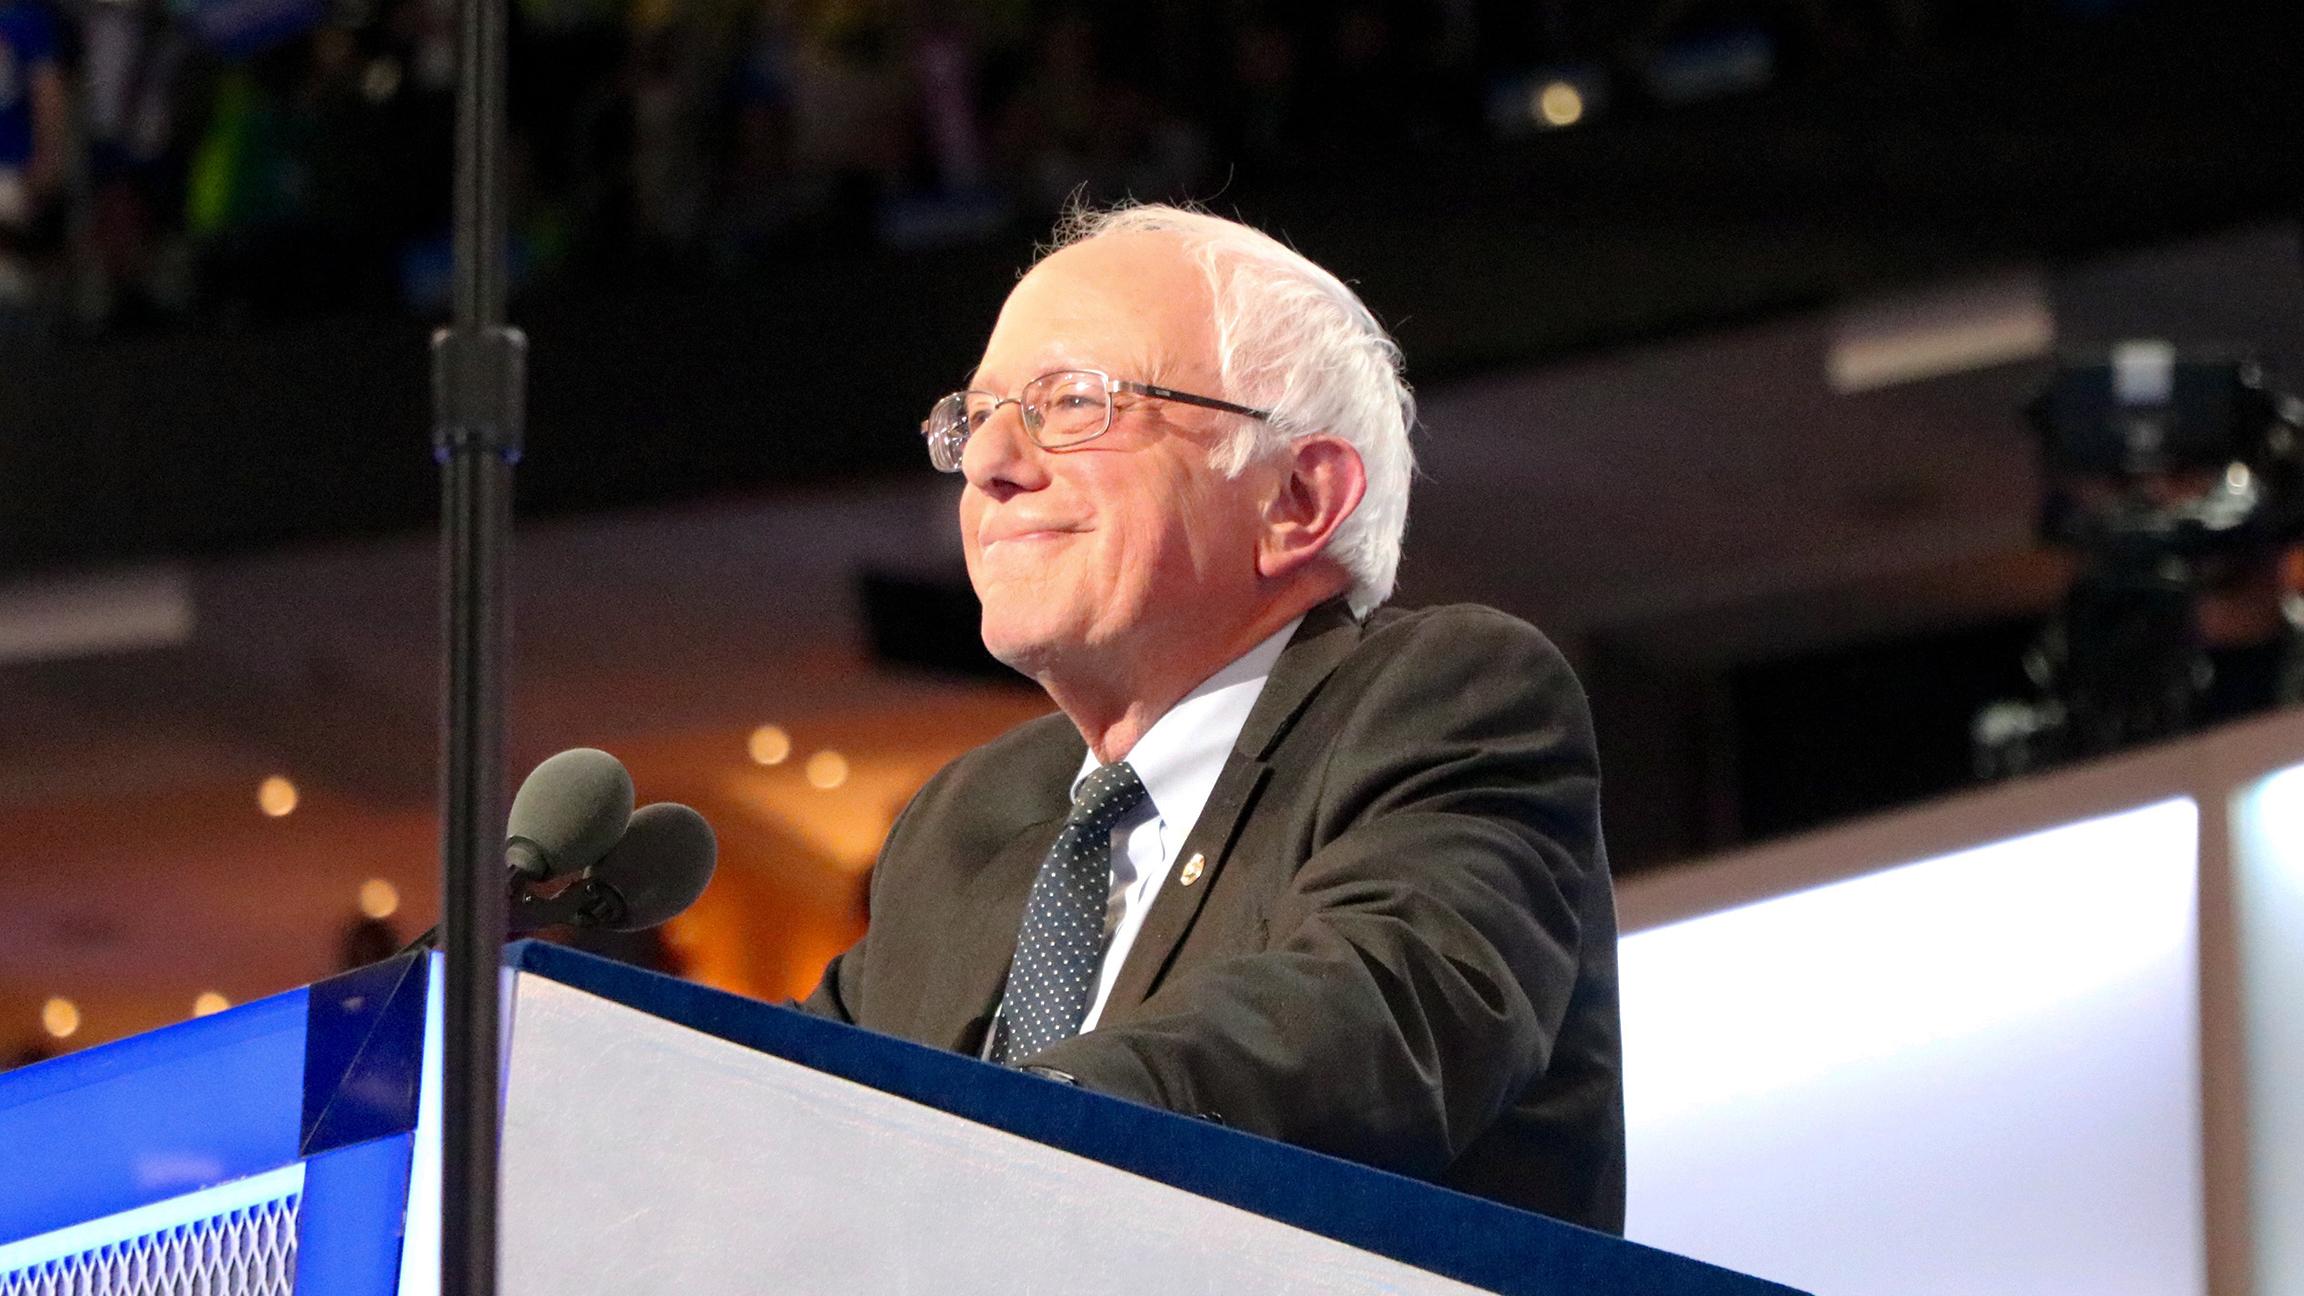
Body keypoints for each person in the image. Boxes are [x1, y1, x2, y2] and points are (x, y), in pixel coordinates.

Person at [801, 203, 1623, 1232]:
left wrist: (1011, 1136)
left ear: (1299, 500)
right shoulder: (965, 821)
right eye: (974, 417)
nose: (987, 463)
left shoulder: (1443, 700)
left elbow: (1389, 1016)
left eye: (1071, 403)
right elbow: (786, 1104)